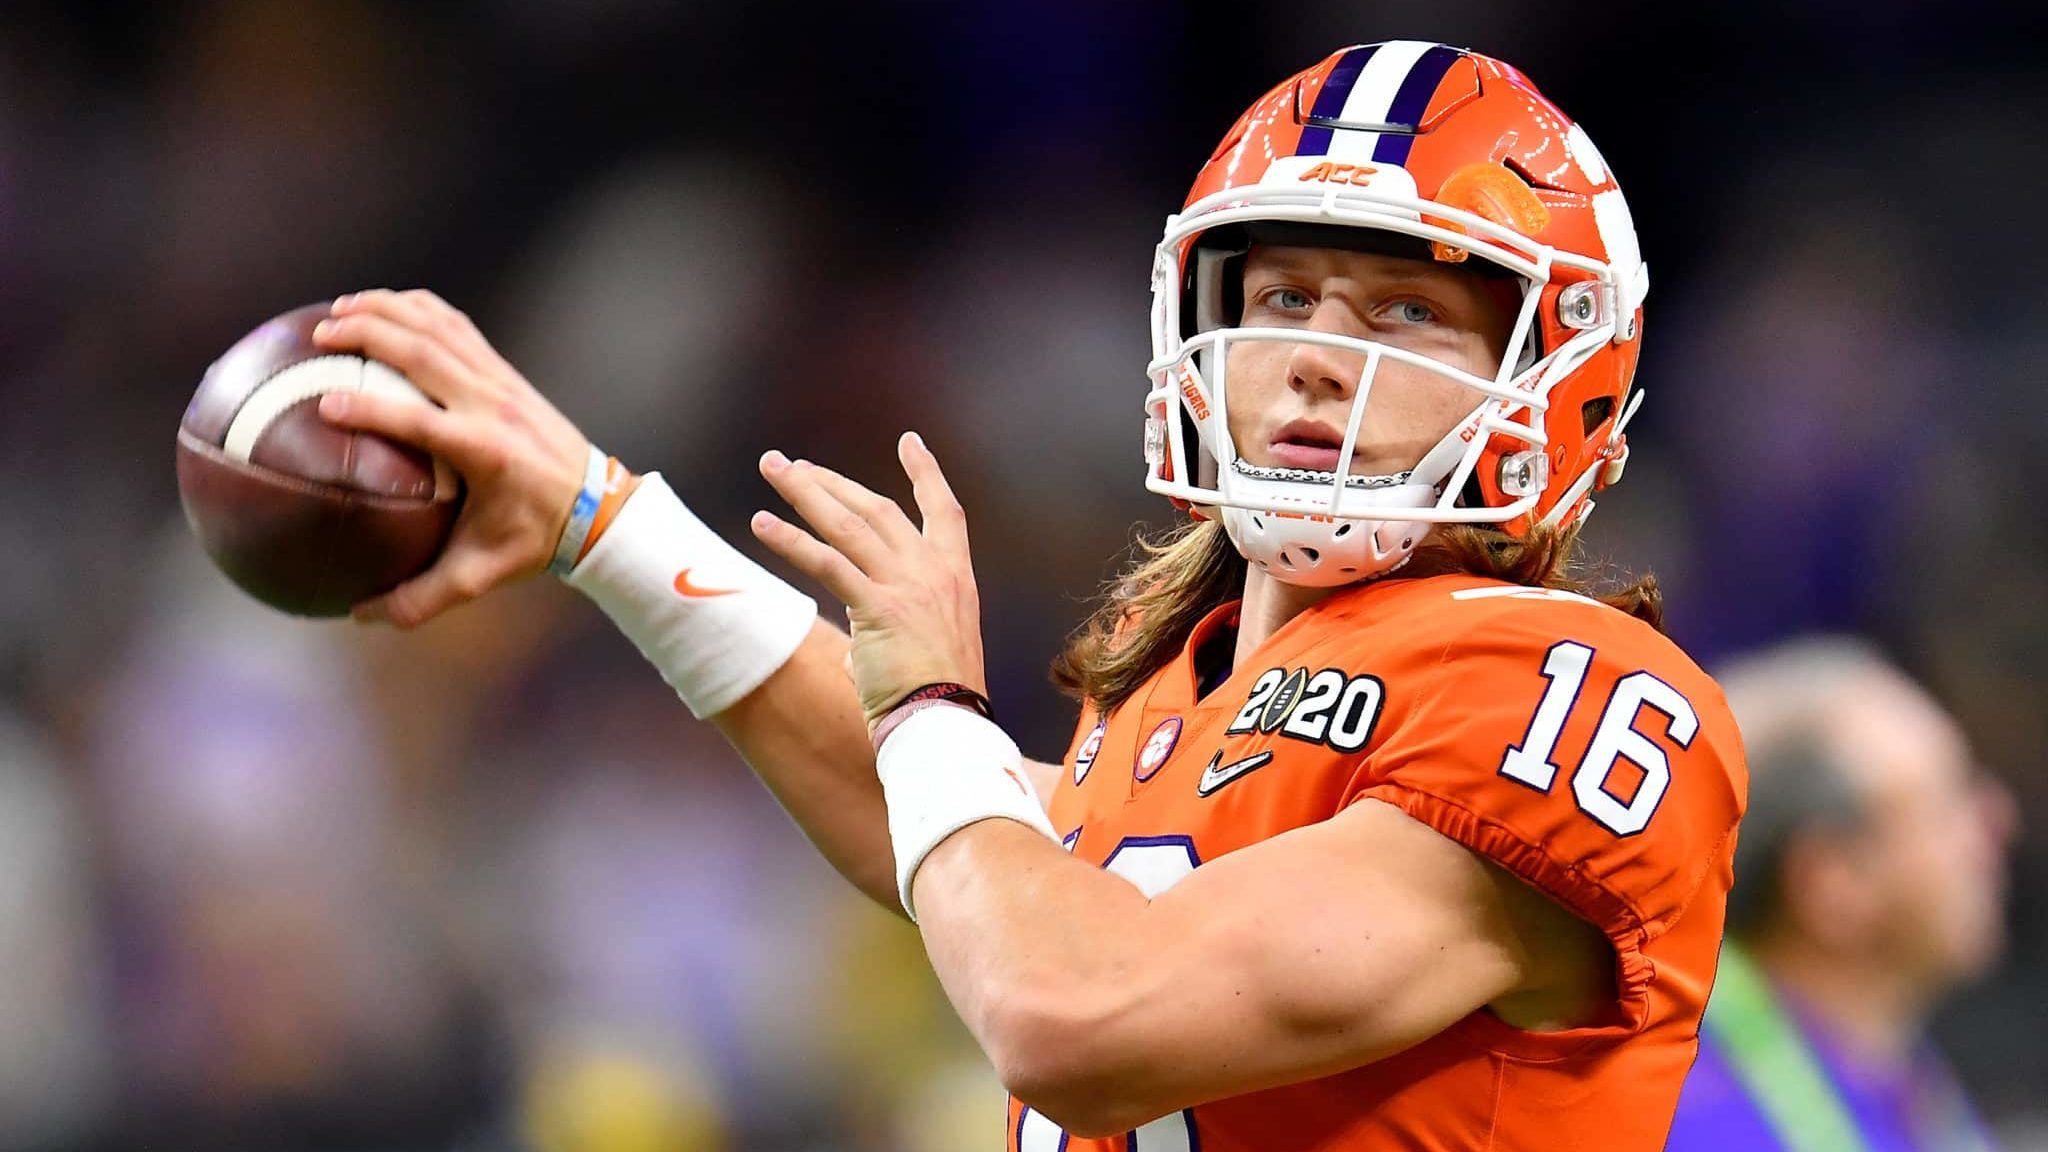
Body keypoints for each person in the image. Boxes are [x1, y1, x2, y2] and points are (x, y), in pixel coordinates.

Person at [305, 40, 1747, 1150]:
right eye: (1283, 298)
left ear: (1559, 374)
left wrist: (933, 705)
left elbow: (1074, 1012)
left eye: (1407, 311)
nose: (1317, 354)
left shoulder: (1564, 694)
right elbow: (962, 844)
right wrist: (598, 519)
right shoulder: (1186, 681)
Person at [1666, 636, 2014, 1152]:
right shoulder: (1693, 1115)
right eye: (1947, 807)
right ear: (1832, 882)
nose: (1999, 819)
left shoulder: (1895, 1076)